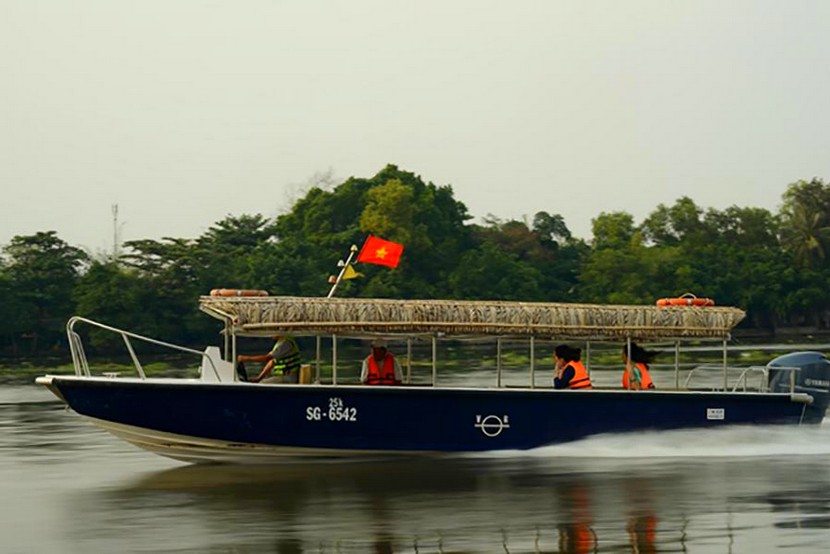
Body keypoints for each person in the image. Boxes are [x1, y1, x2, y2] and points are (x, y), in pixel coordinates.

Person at [236, 335, 301, 384]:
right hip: (282, 376)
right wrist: (259, 378)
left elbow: (267, 358)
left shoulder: (286, 343)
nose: (270, 335)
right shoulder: (280, 342)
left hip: (288, 377)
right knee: (260, 382)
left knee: (262, 384)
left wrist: (246, 358)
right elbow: (272, 362)